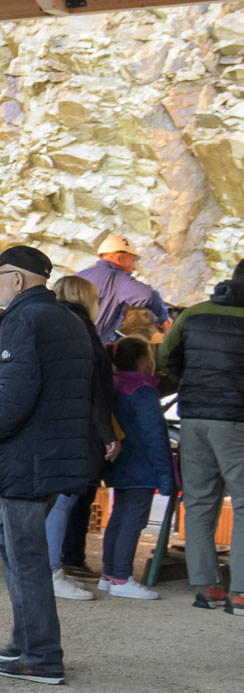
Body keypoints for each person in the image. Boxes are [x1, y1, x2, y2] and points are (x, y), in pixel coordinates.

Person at [0, 246, 96, 684]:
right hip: (50, 453)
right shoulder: (68, 319)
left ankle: (40, 656)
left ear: (18, 279)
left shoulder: (23, 319)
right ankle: (24, 639)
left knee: (26, 555)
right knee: (8, 538)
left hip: (26, 457)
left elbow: (14, 396)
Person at [161, 257, 244, 613]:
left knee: (198, 501)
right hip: (237, 419)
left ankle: (207, 587)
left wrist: (192, 385)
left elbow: (165, 357)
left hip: (194, 417)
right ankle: (240, 592)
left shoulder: (193, 313)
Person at [45, 274, 121, 598]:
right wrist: (108, 433)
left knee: (53, 498)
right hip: (78, 425)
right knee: (64, 498)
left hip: (53, 421)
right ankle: (51, 570)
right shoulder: (83, 330)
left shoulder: (50, 324)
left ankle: (51, 566)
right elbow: (93, 388)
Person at [97, 338, 174, 598]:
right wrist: (166, 476)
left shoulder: (113, 384)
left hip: (118, 463)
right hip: (142, 467)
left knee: (118, 518)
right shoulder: (143, 391)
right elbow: (155, 436)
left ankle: (109, 574)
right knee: (133, 521)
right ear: (143, 361)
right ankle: (122, 578)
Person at [77, 235, 171, 344]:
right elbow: (149, 296)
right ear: (120, 259)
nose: (134, 268)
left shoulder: (78, 276)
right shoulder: (117, 278)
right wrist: (162, 318)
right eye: (132, 261)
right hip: (92, 347)